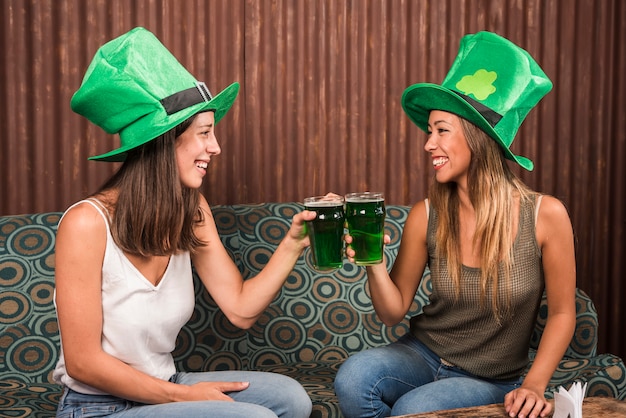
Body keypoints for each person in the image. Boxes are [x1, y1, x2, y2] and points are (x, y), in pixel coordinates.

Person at [53, 27, 313, 418]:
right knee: (252, 417)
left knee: (291, 398)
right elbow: (83, 363)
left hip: (164, 386)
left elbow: (241, 308)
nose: (216, 147)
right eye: (205, 133)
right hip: (96, 407)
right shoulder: (86, 223)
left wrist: (294, 242)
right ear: (165, 141)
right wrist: (184, 398)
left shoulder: (192, 210)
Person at [334, 31, 576, 418]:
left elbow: (564, 313)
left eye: (441, 130)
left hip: (491, 379)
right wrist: (373, 263)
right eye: (430, 131)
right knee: (354, 378)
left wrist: (534, 385)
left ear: (478, 138)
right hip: (422, 353)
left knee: (414, 409)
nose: (429, 144)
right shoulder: (426, 214)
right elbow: (392, 312)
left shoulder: (545, 215)